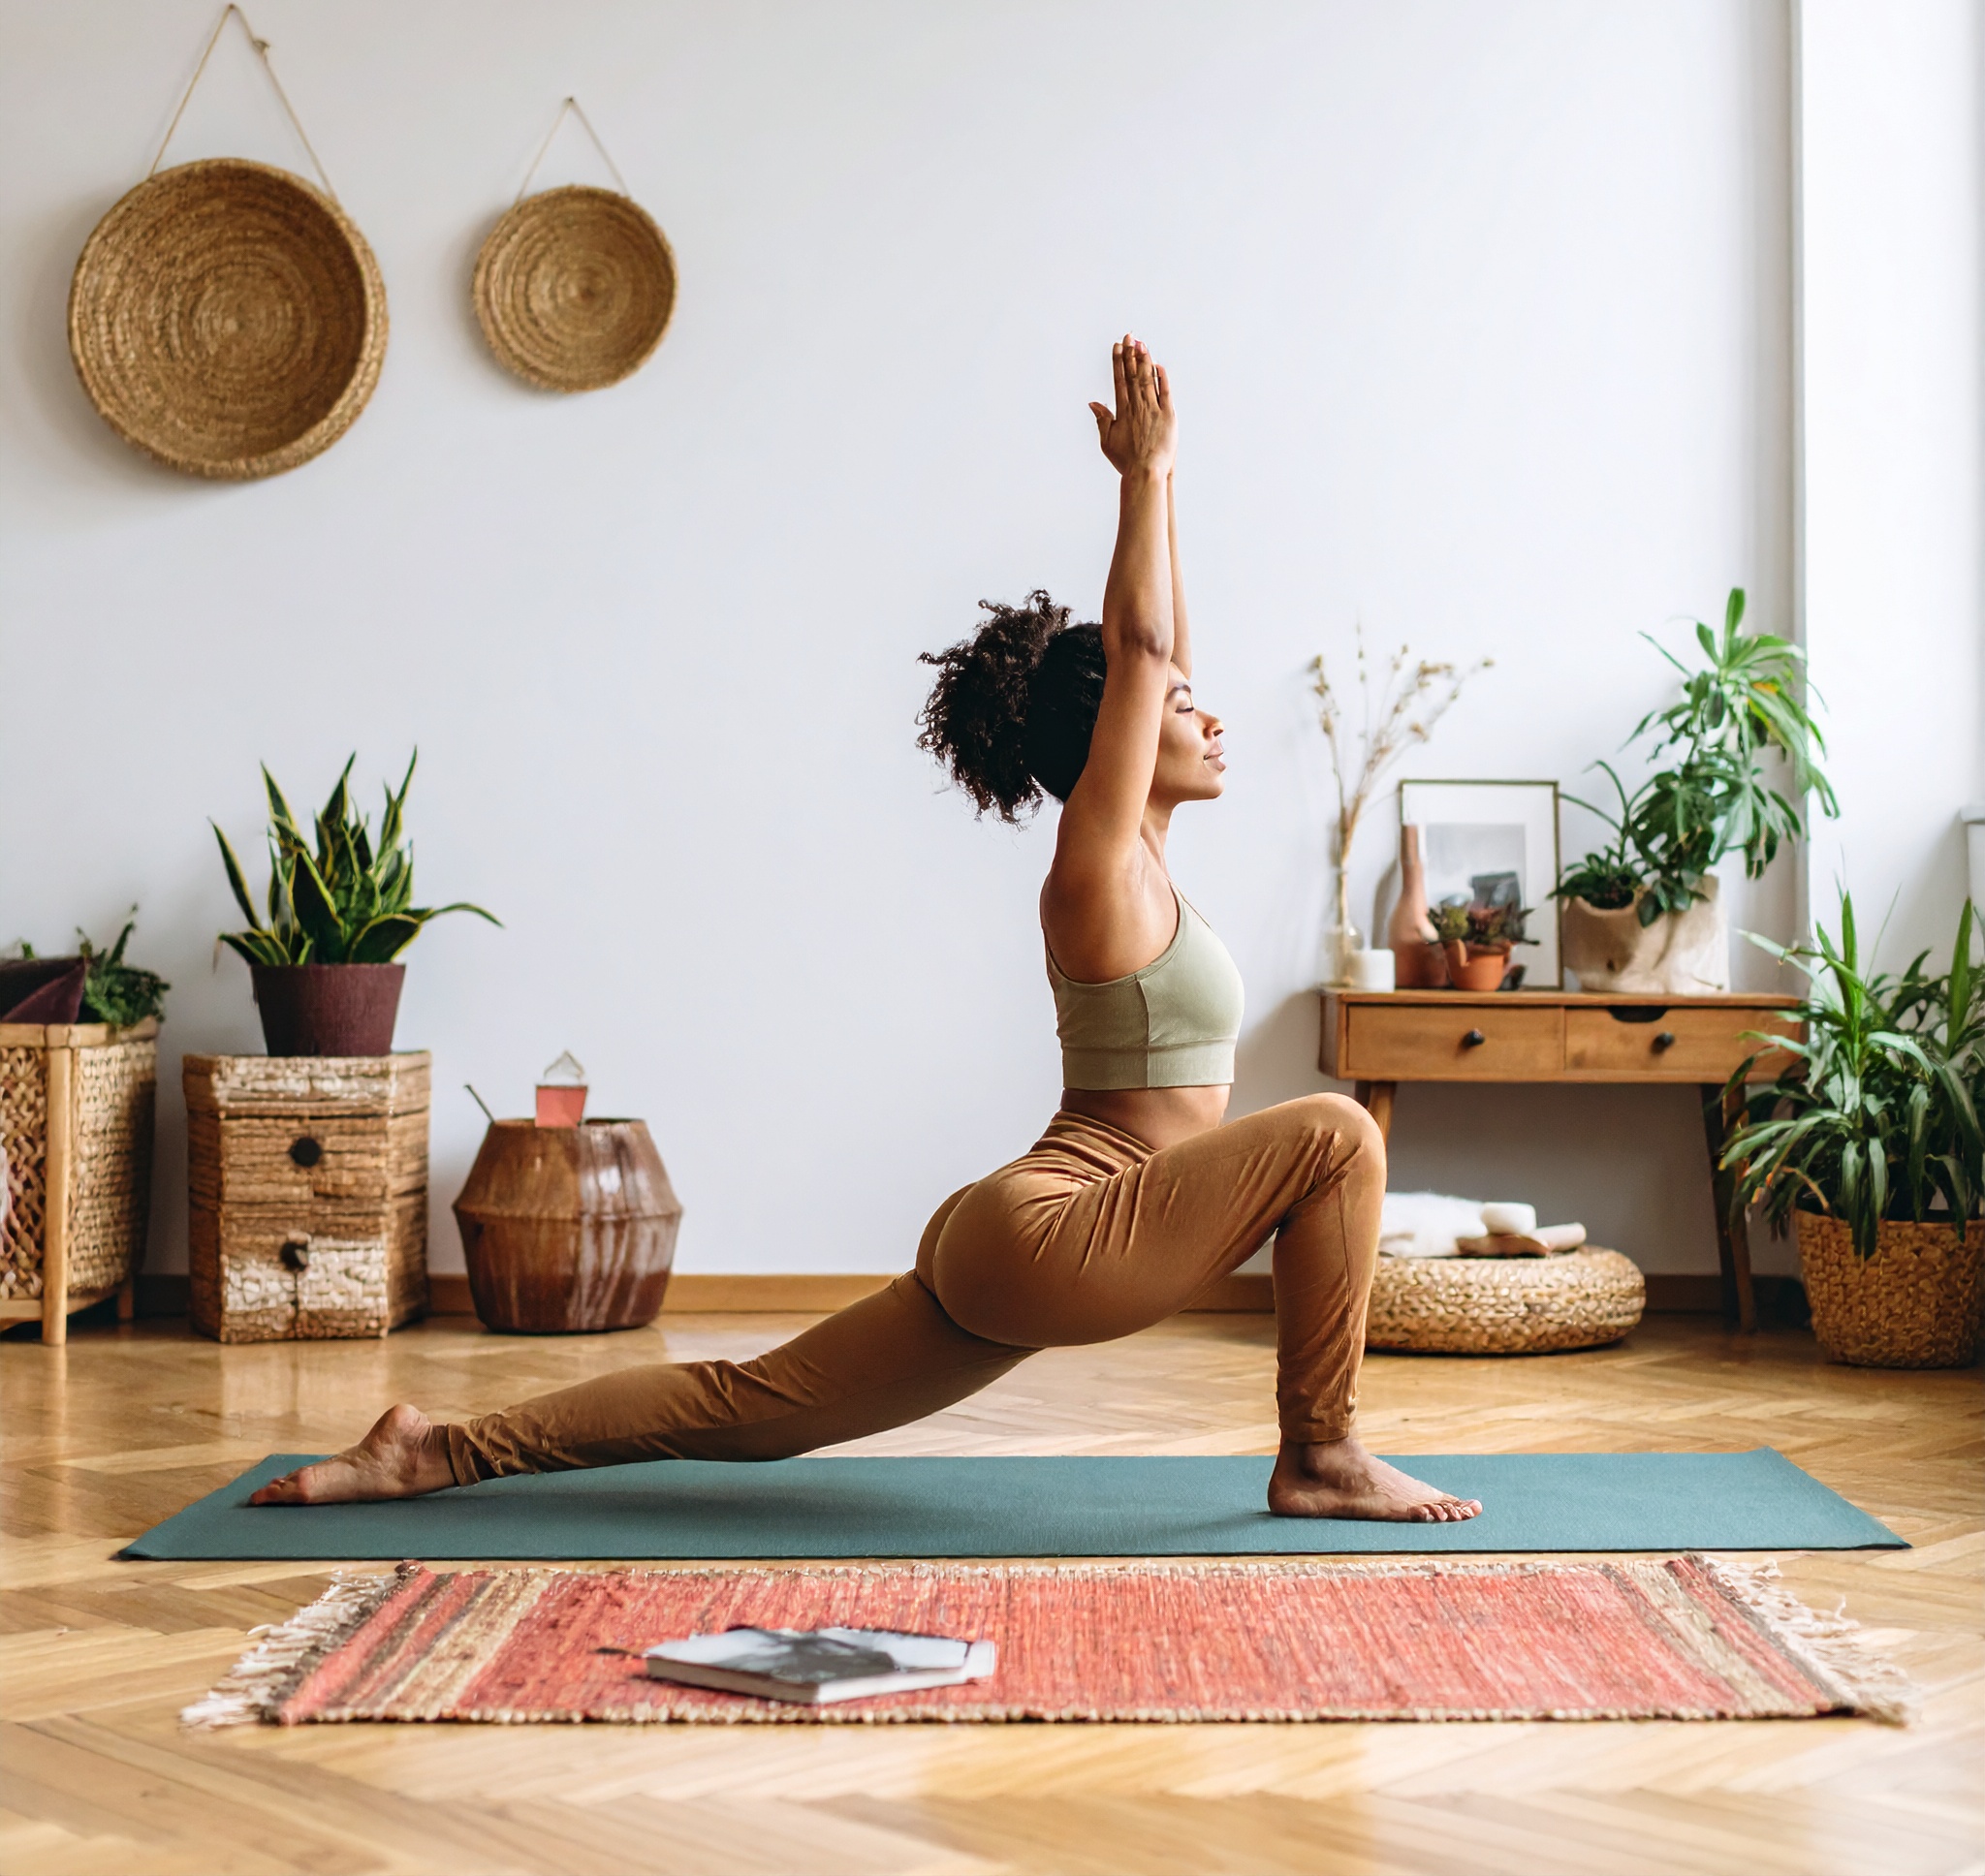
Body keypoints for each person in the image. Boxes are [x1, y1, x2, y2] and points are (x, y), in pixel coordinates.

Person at [253, 338, 1480, 1523]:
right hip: (1058, 1231)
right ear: (1117, 732)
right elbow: (1146, 652)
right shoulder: (1094, 868)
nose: (1206, 717)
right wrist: (1147, 476)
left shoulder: (1145, 861)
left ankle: (430, 1451)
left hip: (1019, 1227)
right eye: (1178, 705)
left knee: (754, 1405)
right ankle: (1320, 1451)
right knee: (1334, 1132)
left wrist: (1151, 545)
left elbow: (1156, 655)